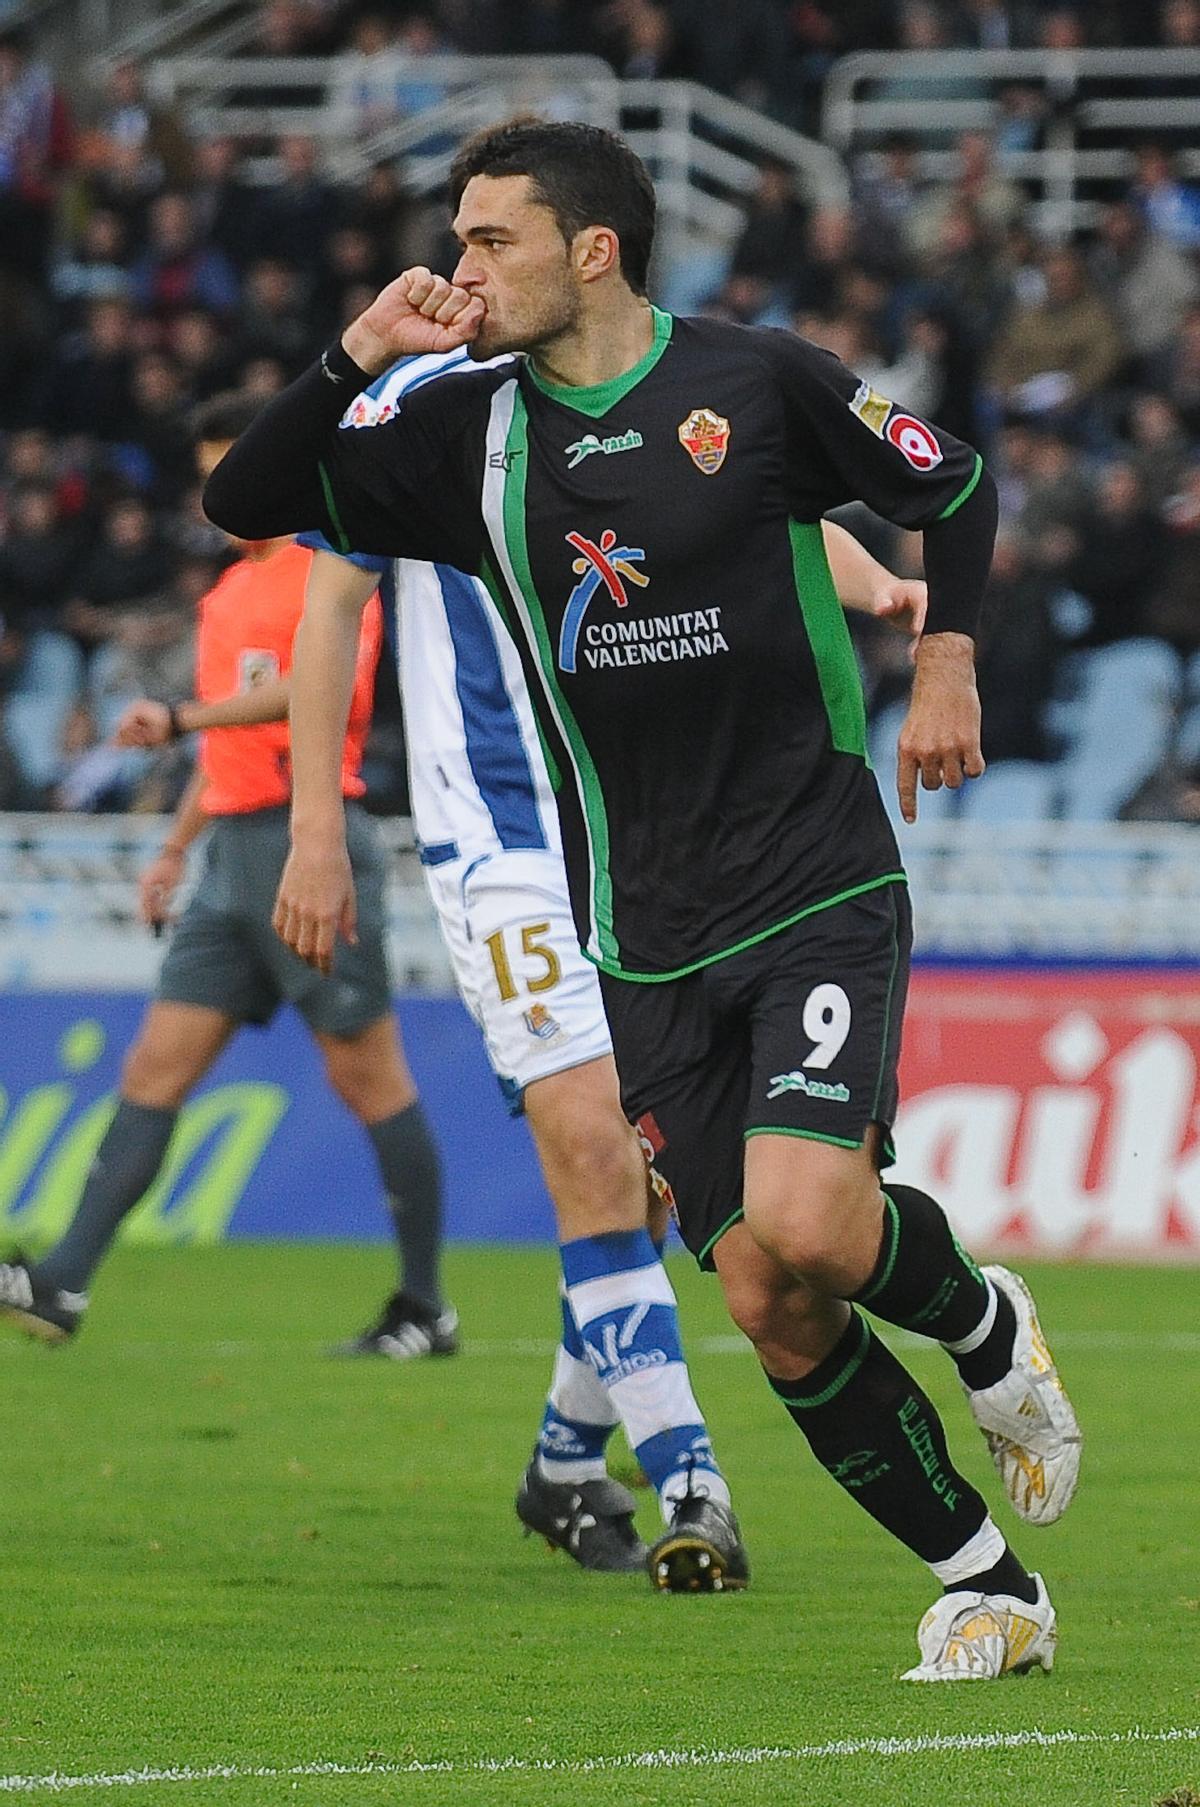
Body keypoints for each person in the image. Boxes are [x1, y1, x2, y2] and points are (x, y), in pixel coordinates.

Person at [203, 119, 1082, 1679]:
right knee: (764, 1287)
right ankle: (988, 1583)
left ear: (590, 249)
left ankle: (983, 1327)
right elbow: (249, 498)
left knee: (812, 1217)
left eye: (492, 241)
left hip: (813, 872)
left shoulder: (756, 379)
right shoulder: (463, 433)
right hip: (640, 927)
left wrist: (943, 660)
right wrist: (358, 350)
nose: (460, 269)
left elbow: (953, 482)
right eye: (454, 240)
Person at [273, 345, 930, 1588]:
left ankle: (567, 1460)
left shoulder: (630, 382)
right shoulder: (415, 406)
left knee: (654, 1173)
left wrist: (873, 585)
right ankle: (692, 1483)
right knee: (589, 1147)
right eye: (470, 237)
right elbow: (330, 610)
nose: (479, 266)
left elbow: (744, 524)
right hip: (503, 842)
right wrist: (319, 828)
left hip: (645, 836)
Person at [0, 393, 454, 1361]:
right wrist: (173, 845)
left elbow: (315, 695)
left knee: (368, 1077)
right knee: (154, 1067)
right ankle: (65, 1277)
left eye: (236, 466)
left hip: (309, 844)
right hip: (228, 856)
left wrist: (182, 719)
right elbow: (228, 745)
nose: (224, 491)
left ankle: (425, 1305)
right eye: (212, 471)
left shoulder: (331, 571)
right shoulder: (225, 597)